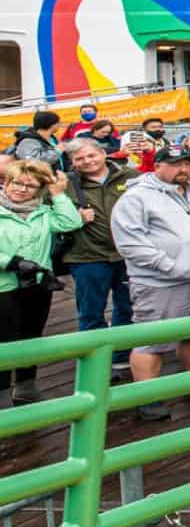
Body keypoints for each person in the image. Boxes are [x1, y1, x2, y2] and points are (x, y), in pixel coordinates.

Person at [112, 141, 190, 422]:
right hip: (162, 283)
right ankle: (148, 397)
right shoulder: (136, 198)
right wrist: (170, 266)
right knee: (153, 341)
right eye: (174, 164)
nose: (182, 169)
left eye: (186, 163)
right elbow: (131, 243)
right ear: (157, 165)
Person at [0, 159, 82, 405]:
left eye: (30, 185)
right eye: (16, 183)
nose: (21, 189)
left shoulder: (44, 213)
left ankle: (26, 385)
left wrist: (58, 195)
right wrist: (10, 262)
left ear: (40, 189)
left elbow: (71, 222)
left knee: (31, 335)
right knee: (4, 340)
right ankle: (1, 392)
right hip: (4, 287)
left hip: (36, 285)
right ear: (6, 182)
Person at [63, 138, 139, 384]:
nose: (87, 162)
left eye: (90, 155)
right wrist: (73, 217)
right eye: (79, 159)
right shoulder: (66, 184)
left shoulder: (129, 175)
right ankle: (95, 364)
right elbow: (51, 210)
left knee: (128, 306)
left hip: (127, 253)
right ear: (73, 163)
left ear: (102, 153)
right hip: (87, 255)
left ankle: (120, 354)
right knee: (90, 311)